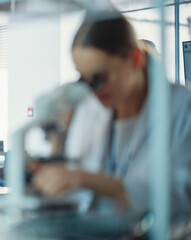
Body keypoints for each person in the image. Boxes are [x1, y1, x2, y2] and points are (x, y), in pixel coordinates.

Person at [29, 9, 191, 217]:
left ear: (135, 59)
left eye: (100, 77)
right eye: (84, 78)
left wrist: (94, 182)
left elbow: (182, 195)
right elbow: (77, 186)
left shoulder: (182, 108)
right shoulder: (91, 108)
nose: (93, 89)